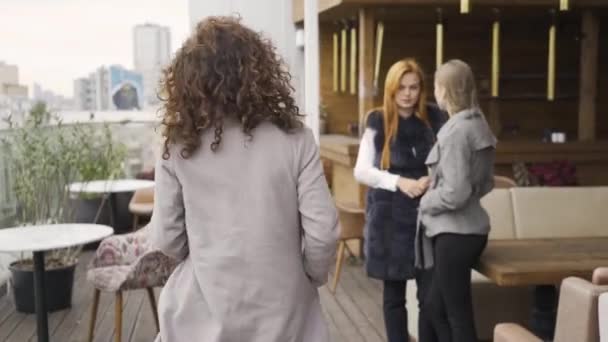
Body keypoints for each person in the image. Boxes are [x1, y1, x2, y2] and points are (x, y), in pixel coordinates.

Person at [151, 16, 340, 342]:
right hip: (287, 319)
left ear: (189, 80)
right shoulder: (296, 139)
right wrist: (308, 276)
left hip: (200, 318)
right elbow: (323, 232)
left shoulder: (178, 145)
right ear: (259, 72)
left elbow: (167, 239)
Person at [353, 58, 447, 342]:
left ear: (421, 88)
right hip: (389, 218)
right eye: (401, 88)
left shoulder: (435, 118)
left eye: (414, 87)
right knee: (394, 298)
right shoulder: (377, 120)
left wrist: (430, 179)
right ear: (391, 90)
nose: (408, 94)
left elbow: (446, 161)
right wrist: (399, 182)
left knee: (428, 296)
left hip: (428, 215)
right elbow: (362, 171)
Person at [416, 59, 497, 342]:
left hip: (454, 234)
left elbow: (455, 193)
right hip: (472, 231)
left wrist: (427, 200)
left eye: (436, 85)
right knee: (434, 307)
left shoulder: (456, 132)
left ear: (444, 90)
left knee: (456, 315)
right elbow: (486, 183)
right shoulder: (479, 124)